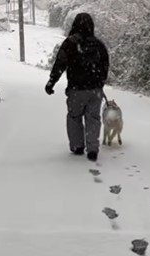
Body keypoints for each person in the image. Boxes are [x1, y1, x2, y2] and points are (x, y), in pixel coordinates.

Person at [45, 13, 110, 162]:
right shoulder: (98, 45)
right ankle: (92, 148)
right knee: (93, 118)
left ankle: (77, 146)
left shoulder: (70, 43)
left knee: (74, 117)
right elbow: (105, 65)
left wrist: (51, 82)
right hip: (94, 90)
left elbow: (60, 64)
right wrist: (100, 82)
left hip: (76, 89)